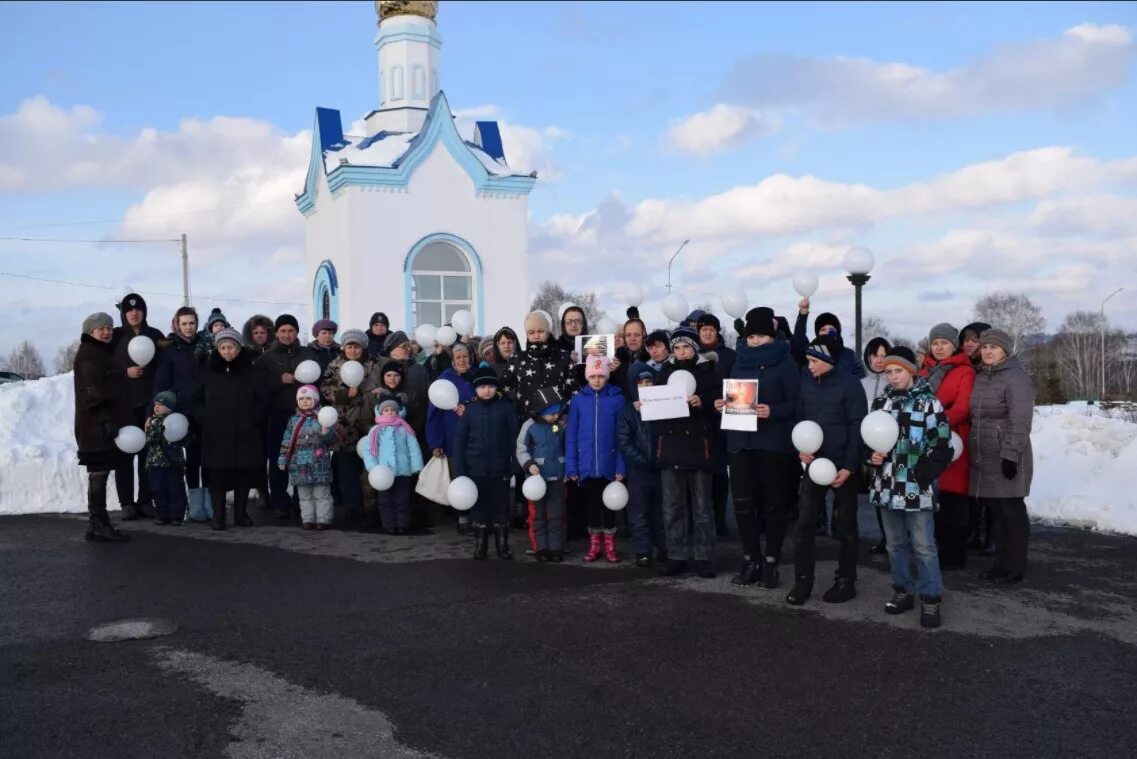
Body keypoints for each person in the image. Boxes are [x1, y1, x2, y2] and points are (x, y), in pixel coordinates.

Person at [867, 347, 953, 628]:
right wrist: (873, 458)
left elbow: (942, 447)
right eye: (889, 371)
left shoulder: (929, 403)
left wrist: (921, 474)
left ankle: (931, 598)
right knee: (894, 545)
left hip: (917, 488)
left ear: (911, 371)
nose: (893, 377)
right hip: (887, 486)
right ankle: (902, 590)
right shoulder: (881, 403)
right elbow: (870, 440)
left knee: (924, 546)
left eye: (898, 371)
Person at [716, 307, 799, 588]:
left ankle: (772, 561)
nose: (754, 341)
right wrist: (722, 405)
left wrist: (771, 411)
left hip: (773, 444)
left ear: (772, 336)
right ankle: (751, 558)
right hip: (740, 443)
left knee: (773, 505)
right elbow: (732, 393)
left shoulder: (786, 363)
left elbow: (797, 403)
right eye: (751, 336)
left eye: (760, 336)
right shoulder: (739, 361)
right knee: (742, 503)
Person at [785, 334, 867, 606]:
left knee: (845, 526)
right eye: (808, 360)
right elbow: (799, 419)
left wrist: (850, 466)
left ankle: (846, 581)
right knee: (805, 524)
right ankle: (802, 581)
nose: (809, 365)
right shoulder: (806, 381)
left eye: (813, 360)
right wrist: (800, 448)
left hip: (843, 467)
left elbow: (858, 427)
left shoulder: (850, 384)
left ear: (827, 358)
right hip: (813, 465)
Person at [970, 328, 1034, 585]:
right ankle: (1000, 564)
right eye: (984, 347)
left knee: (1012, 510)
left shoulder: (1015, 377)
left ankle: (1015, 566)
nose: (987, 351)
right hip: (985, 454)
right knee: (996, 511)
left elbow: (1020, 419)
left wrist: (1010, 454)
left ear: (1006, 351)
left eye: (993, 347)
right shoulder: (983, 376)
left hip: (1007, 453)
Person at [653, 326, 719, 578]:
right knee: (672, 507)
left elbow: (720, 406)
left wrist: (703, 402)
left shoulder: (708, 372)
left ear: (695, 348)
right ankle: (675, 555)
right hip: (670, 448)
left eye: (686, 347)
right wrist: (645, 404)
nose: (681, 352)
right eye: (677, 347)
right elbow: (656, 407)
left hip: (699, 449)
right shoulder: (664, 372)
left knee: (702, 507)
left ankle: (704, 557)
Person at [919, 323, 975, 570]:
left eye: (944, 343)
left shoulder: (965, 372)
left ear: (954, 345)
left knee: (952, 502)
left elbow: (963, 407)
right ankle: (933, 551)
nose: (939, 347)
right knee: (931, 500)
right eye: (935, 343)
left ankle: (954, 555)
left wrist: (935, 423)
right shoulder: (924, 372)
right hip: (924, 441)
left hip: (952, 440)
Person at [73, 312, 133, 543]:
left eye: (109, 327)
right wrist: (107, 418)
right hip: (96, 424)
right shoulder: (90, 354)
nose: (107, 332)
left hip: (99, 423)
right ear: (90, 333)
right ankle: (100, 524)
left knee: (100, 471)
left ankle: (96, 523)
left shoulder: (99, 351)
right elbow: (92, 391)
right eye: (101, 329)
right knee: (99, 472)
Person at [199, 328, 266, 530]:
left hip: (245, 431)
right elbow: (195, 398)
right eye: (223, 347)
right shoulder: (208, 371)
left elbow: (263, 398)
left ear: (239, 348)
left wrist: (254, 419)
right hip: (216, 433)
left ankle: (241, 513)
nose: (227, 351)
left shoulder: (251, 371)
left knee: (243, 475)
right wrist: (203, 417)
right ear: (218, 349)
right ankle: (219, 515)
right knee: (218, 476)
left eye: (231, 347)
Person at [451, 367, 519, 560]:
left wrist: (515, 464)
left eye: (490, 386)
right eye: (481, 387)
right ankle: (481, 544)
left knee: (501, 506)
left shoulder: (506, 408)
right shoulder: (470, 410)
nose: (486, 391)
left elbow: (514, 438)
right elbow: (460, 441)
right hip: (475, 469)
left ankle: (502, 545)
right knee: (479, 507)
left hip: (501, 468)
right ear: (476, 389)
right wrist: (460, 471)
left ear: (495, 388)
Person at [255, 314, 317, 520]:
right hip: (278, 416)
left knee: (304, 460)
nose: (287, 334)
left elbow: (317, 382)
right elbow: (260, 390)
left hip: (304, 417)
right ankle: (280, 501)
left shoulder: (308, 354)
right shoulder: (266, 359)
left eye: (291, 330)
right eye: (283, 331)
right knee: (277, 460)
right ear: (277, 333)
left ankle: (301, 500)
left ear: (297, 332)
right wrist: (279, 380)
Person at [566, 355, 627, 563]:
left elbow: (622, 437)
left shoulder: (617, 399)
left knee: (609, 507)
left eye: (601, 376)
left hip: (609, 466)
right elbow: (571, 436)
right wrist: (572, 467)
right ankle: (594, 545)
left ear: (607, 376)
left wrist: (620, 465)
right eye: (592, 376)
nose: (597, 380)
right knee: (592, 506)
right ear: (587, 377)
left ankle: (610, 545)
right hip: (587, 466)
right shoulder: (578, 400)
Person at [111, 292, 166, 520]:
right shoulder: (114, 337)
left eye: (138, 309)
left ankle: (145, 500)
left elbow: (166, 365)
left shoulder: (154, 335)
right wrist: (124, 372)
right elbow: (103, 369)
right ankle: (126, 503)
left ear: (144, 311)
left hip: (148, 404)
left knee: (147, 454)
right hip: (123, 405)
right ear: (124, 313)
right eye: (129, 310)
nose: (134, 313)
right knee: (123, 453)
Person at [153, 306, 210, 518]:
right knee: (192, 460)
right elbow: (162, 382)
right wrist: (159, 406)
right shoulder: (170, 351)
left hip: (205, 410)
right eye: (184, 323)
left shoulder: (206, 348)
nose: (188, 327)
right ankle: (195, 505)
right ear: (178, 324)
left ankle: (210, 502)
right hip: (182, 413)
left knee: (209, 459)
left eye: (192, 323)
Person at [320, 329, 379, 525]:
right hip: (345, 425)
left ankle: (372, 508)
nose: (353, 350)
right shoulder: (335, 364)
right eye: (350, 346)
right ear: (344, 347)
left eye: (357, 346)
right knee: (347, 469)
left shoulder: (375, 364)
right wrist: (344, 394)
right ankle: (352, 507)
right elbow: (325, 387)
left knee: (371, 467)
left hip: (370, 422)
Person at [618, 368, 667, 567]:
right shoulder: (628, 411)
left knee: (662, 512)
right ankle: (643, 550)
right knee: (639, 512)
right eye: (641, 384)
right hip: (639, 470)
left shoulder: (664, 407)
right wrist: (642, 460)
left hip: (662, 468)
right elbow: (624, 441)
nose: (646, 387)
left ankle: (665, 548)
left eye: (649, 383)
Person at [426, 342, 477, 532]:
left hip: (478, 437)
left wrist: (469, 408)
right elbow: (433, 415)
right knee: (459, 474)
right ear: (453, 361)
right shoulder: (444, 381)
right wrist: (435, 442)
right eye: (458, 357)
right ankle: (463, 516)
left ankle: (479, 515)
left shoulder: (478, 377)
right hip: (452, 438)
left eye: (465, 356)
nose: (462, 360)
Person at [517, 387, 568, 562]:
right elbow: (521, 449)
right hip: (536, 481)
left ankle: (556, 548)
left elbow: (567, 446)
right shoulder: (529, 426)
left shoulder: (559, 426)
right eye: (552, 413)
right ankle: (540, 548)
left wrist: (568, 469)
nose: (556, 416)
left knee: (556, 514)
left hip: (557, 477)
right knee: (537, 515)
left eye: (557, 413)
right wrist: (529, 465)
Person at [362, 396, 425, 535]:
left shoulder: (404, 428)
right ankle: (389, 524)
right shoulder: (376, 430)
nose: (390, 412)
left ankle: (402, 524)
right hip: (383, 473)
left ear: (398, 412)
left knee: (402, 499)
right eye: (386, 410)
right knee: (385, 500)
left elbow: (413, 448)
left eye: (393, 410)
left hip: (403, 470)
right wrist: (373, 468)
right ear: (380, 412)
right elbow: (369, 451)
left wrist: (416, 466)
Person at [696, 312, 735, 537]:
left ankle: (719, 519)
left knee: (720, 473)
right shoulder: (692, 354)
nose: (708, 333)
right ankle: (703, 519)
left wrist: (727, 404)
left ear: (717, 331)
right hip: (700, 419)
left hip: (723, 420)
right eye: (703, 329)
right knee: (701, 472)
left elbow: (738, 383)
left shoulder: (730, 356)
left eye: (711, 329)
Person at [278, 385, 337, 530]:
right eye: (301, 399)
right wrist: (283, 457)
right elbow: (287, 440)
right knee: (304, 495)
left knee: (321, 494)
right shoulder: (293, 420)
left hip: (319, 464)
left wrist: (326, 433)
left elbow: (332, 440)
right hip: (300, 464)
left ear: (315, 400)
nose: (304, 401)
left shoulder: (323, 417)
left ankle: (323, 520)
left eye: (308, 398)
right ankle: (308, 519)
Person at [860, 336, 893, 555]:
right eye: (875, 355)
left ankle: (896, 539)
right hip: (868, 445)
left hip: (890, 444)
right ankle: (885, 537)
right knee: (877, 493)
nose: (879, 360)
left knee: (892, 491)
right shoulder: (861, 384)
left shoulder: (894, 382)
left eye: (883, 356)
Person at [143, 390, 188, 526]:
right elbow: (149, 439)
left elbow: (184, 439)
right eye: (155, 404)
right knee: (158, 490)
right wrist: (156, 429)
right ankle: (162, 515)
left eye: (160, 404)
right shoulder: (152, 421)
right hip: (155, 463)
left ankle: (177, 516)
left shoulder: (177, 421)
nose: (156, 407)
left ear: (169, 407)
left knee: (175, 489)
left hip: (174, 463)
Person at [791, 298, 866, 378]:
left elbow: (861, 379)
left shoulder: (849, 355)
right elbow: (798, 342)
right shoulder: (811, 354)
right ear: (818, 334)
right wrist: (803, 314)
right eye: (823, 329)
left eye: (831, 330)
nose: (827, 333)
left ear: (837, 333)